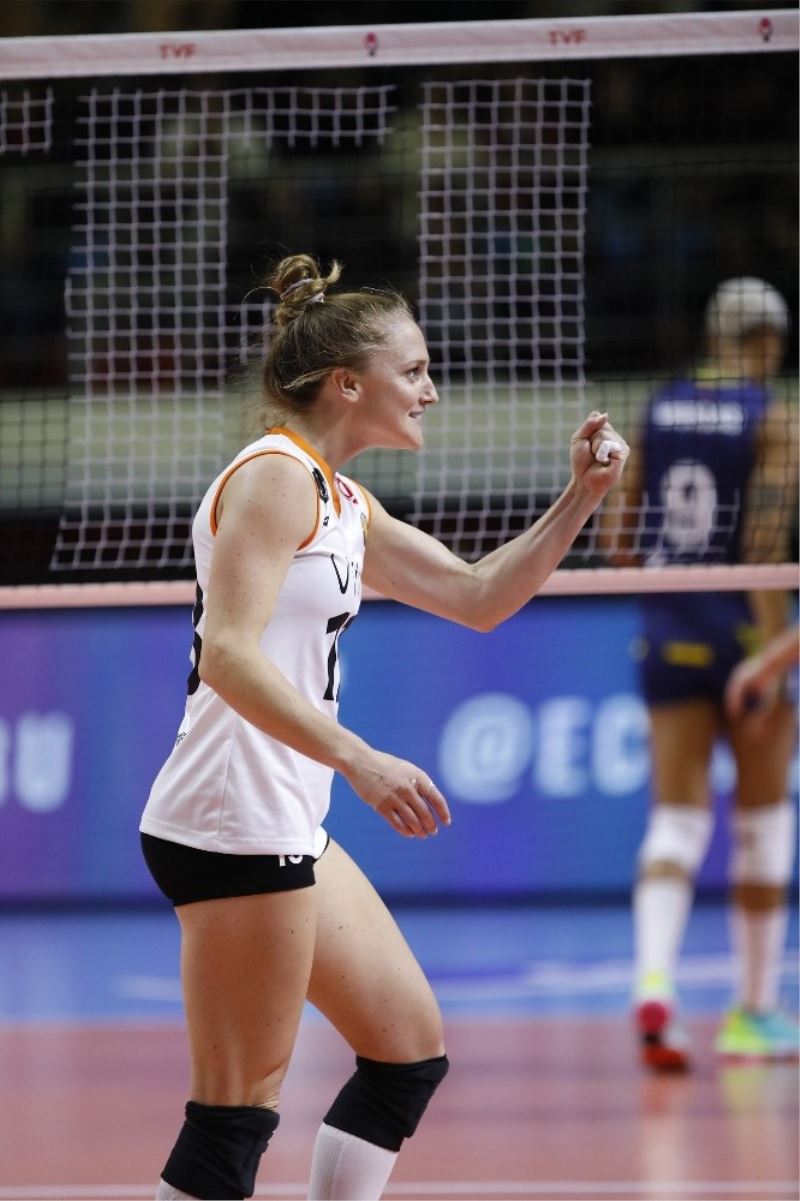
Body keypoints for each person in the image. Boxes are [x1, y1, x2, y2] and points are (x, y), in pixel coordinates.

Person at [139, 253, 629, 1201]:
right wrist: (360, 759)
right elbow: (226, 654)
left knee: (406, 1050)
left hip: (283, 816)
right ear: (347, 383)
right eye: (414, 370)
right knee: (233, 1118)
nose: (430, 390)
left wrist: (581, 497)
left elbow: (478, 596)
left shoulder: (342, 499)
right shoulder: (277, 477)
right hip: (232, 821)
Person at [600, 276, 798, 1073]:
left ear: (715, 334)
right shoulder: (773, 417)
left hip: (669, 626)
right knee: (763, 826)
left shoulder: (658, 407)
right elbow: (764, 545)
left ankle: (653, 982)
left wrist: (670, 589)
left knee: (675, 822)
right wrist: (770, 654)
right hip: (745, 633)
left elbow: (619, 538)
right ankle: (753, 1014)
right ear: (767, 342)